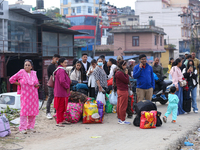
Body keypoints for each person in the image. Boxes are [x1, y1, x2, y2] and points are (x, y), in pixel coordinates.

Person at [9, 59, 40, 134]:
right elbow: (11, 80)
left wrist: (37, 85)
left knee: (33, 111)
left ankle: (30, 127)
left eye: (28, 65)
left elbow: (36, 83)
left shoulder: (34, 73)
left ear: (31, 67)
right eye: (25, 65)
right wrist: (19, 84)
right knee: (24, 111)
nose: (27, 66)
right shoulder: (21, 72)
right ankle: (22, 128)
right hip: (25, 95)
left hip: (34, 95)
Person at [54, 58, 71, 127]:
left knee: (63, 106)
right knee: (60, 107)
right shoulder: (61, 70)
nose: (66, 64)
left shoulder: (61, 69)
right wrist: (67, 86)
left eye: (66, 63)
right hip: (61, 91)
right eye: (65, 63)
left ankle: (62, 119)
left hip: (62, 92)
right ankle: (59, 121)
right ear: (61, 63)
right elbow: (62, 81)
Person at [115, 60, 130, 125]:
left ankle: (119, 118)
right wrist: (126, 74)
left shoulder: (117, 72)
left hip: (120, 90)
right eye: (124, 65)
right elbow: (126, 81)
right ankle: (122, 119)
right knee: (123, 105)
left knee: (119, 105)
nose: (126, 66)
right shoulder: (120, 73)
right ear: (121, 65)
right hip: (123, 90)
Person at [46, 54, 60, 119]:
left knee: (56, 98)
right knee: (50, 98)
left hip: (55, 85)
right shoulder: (51, 66)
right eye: (56, 59)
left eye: (58, 59)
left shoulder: (55, 66)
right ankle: (48, 112)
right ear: (53, 58)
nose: (57, 60)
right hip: (51, 85)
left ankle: (55, 112)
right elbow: (56, 75)